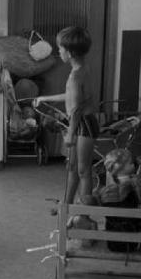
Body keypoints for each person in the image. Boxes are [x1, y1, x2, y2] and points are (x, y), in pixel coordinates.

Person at [34, 27, 98, 206]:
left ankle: (85, 214)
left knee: (83, 171)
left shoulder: (76, 76)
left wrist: (70, 133)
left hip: (83, 124)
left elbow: (76, 108)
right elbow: (72, 96)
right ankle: (67, 206)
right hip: (80, 123)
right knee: (72, 168)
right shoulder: (81, 68)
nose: (58, 51)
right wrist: (44, 98)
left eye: (60, 48)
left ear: (69, 53)